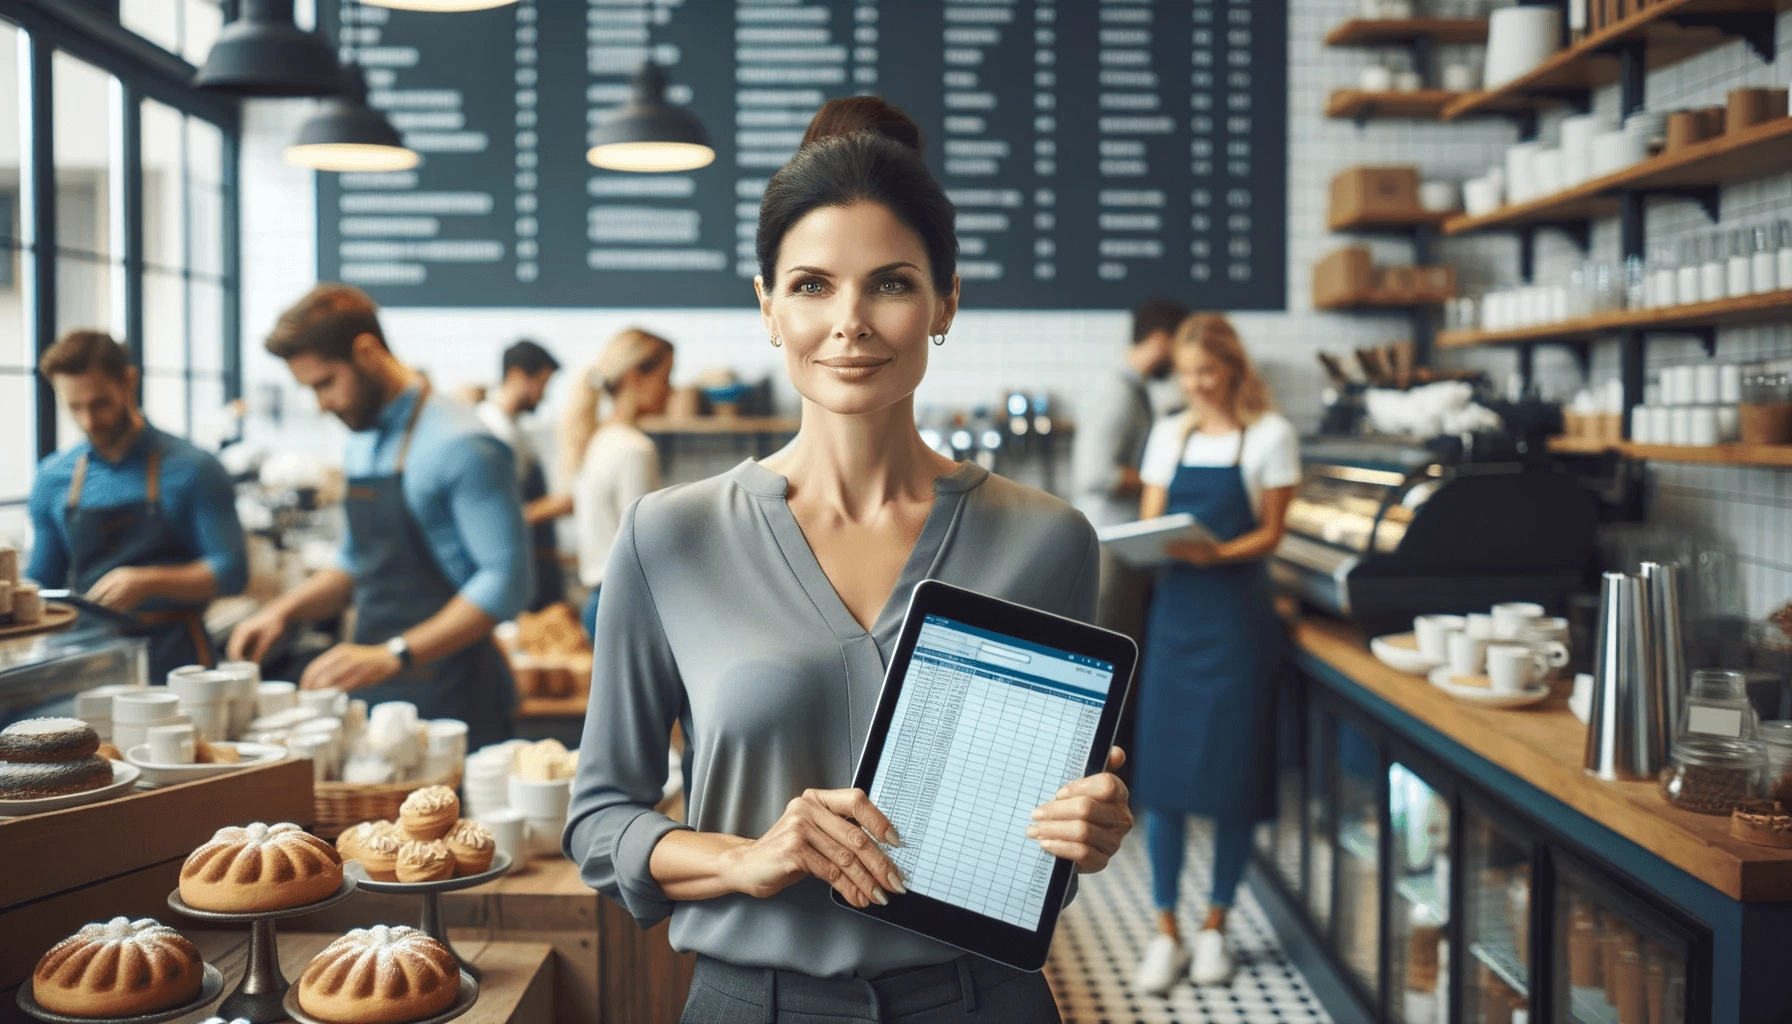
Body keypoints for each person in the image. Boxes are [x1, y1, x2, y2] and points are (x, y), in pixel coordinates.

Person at [564, 96, 1131, 1024]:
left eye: (893, 284)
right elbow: (601, 821)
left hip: (983, 1001)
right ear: (768, 306)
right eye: (813, 285)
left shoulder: (1049, 539)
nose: (851, 322)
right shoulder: (669, 536)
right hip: (755, 1003)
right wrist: (743, 857)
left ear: (946, 301)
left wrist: (1086, 827)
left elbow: (1037, 840)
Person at [227, 285, 529, 750]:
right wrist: (281, 613)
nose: (321, 403)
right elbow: (354, 561)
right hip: (373, 689)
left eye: (325, 383)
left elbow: (507, 582)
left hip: (452, 696)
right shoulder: (361, 439)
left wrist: (394, 654)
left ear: (367, 352)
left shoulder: (462, 442)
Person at [1130, 314, 1299, 994]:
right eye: (1186, 373)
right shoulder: (1168, 434)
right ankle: (1165, 930)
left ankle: (1215, 930)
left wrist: (1218, 552)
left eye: (1208, 371)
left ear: (1234, 368)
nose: (1197, 384)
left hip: (1236, 620)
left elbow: (1273, 532)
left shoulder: (1271, 435)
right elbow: (1150, 521)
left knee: (1233, 780)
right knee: (1163, 785)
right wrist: (1154, 543)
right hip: (1175, 620)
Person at [27, 331, 247, 682]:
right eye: (74, 407)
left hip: (177, 660)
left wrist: (148, 581)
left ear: (129, 382)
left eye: (100, 403)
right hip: (86, 659)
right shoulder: (52, 478)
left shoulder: (194, 469)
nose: (88, 421)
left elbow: (232, 571)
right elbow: (42, 582)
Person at [1069, 297, 1185, 784]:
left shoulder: (1133, 391)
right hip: (1111, 550)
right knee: (1109, 675)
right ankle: (1098, 785)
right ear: (1160, 341)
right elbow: (1094, 473)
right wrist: (1162, 477)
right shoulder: (1118, 392)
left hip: (1121, 550)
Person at [570, 329, 673, 641]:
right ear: (634, 376)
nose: (670, 390)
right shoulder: (634, 449)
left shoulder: (600, 439)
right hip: (627, 606)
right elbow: (643, 548)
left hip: (601, 603)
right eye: (666, 377)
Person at [475, 339, 567, 612]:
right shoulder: (489, 431)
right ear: (516, 376)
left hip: (534, 562)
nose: (543, 395)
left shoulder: (517, 430)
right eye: (542, 383)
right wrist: (555, 507)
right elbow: (492, 517)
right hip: (509, 568)